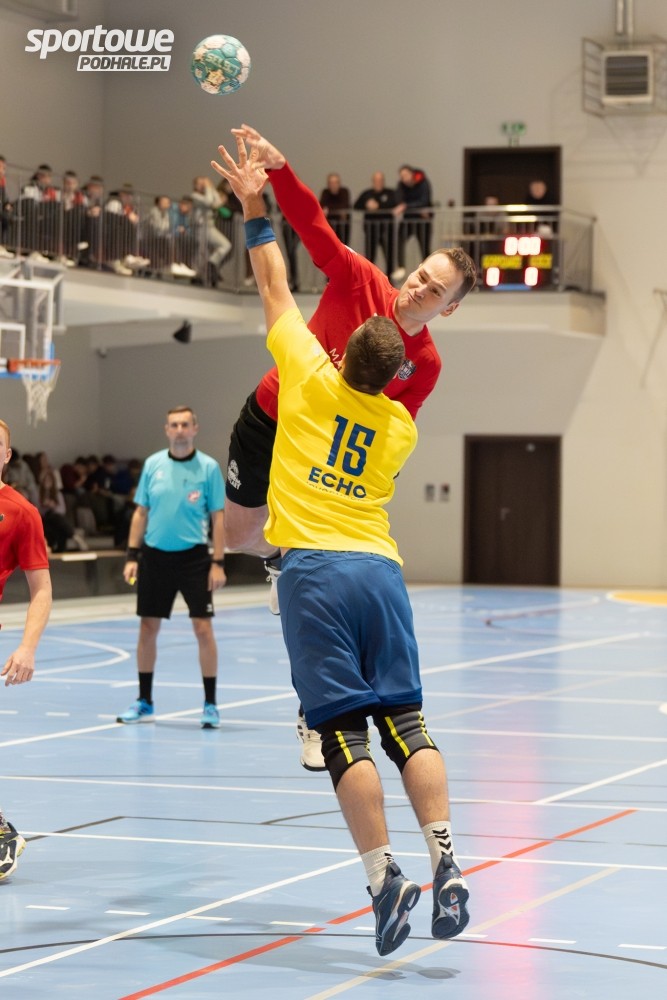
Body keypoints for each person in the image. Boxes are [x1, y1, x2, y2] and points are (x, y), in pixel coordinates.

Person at [213, 135, 470, 956]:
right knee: (406, 720)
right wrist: (280, 174)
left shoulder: (327, 368)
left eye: (433, 288)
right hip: (372, 554)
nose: (416, 285)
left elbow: (273, 277)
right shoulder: (395, 420)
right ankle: (447, 861)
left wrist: (251, 199)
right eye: (417, 275)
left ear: (445, 310)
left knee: (343, 734)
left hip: (316, 551)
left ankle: (383, 876)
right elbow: (314, 228)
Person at [116, 406, 227, 730]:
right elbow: (141, 512)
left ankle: (210, 704)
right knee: (147, 628)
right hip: (154, 558)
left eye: (185, 424)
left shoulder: (208, 468)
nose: (179, 429)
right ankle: (144, 701)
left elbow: (218, 517)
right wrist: (132, 556)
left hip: (194, 559)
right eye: (174, 425)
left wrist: (218, 562)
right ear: (167, 429)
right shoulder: (153, 465)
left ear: (195, 428)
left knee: (203, 629)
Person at [0, 418, 52, 879]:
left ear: (6, 456)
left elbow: (41, 588)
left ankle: (1, 831)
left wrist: (27, 647)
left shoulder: (21, 512)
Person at [391, 164, 434, 282]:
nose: (404, 178)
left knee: (424, 247)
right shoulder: (401, 185)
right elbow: (398, 200)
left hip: (423, 221)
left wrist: (406, 206)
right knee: (399, 240)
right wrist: (413, 207)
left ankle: (427, 272)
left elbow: (424, 201)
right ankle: (401, 266)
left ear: (412, 174)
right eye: (401, 176)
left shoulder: (423, 182)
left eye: (405, 175)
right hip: (408, 220)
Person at [353, 171, 397, 276]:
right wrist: (367, 205)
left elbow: (394, 204)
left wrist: (378, 206)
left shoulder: (390, 193)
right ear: (373, 181)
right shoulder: (367, 194)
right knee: (370, 255)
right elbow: (356, 205)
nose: (378, 182)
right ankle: (370, 277)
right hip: (371, 230)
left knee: (389, 254)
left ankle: (389, 278)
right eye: (376, 180)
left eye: (380, 180)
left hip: (387, 230)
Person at [319, 172, 351, 245]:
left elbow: (344, 206)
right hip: (329, 227)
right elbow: (322, 205)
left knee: (343, 246)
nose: (333, 185)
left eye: (336, 182)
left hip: (342, 228)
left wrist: (329, 210)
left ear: (339, 183)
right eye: (331, 183)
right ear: (328, 184)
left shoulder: (344, 192)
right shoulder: (325, 192)